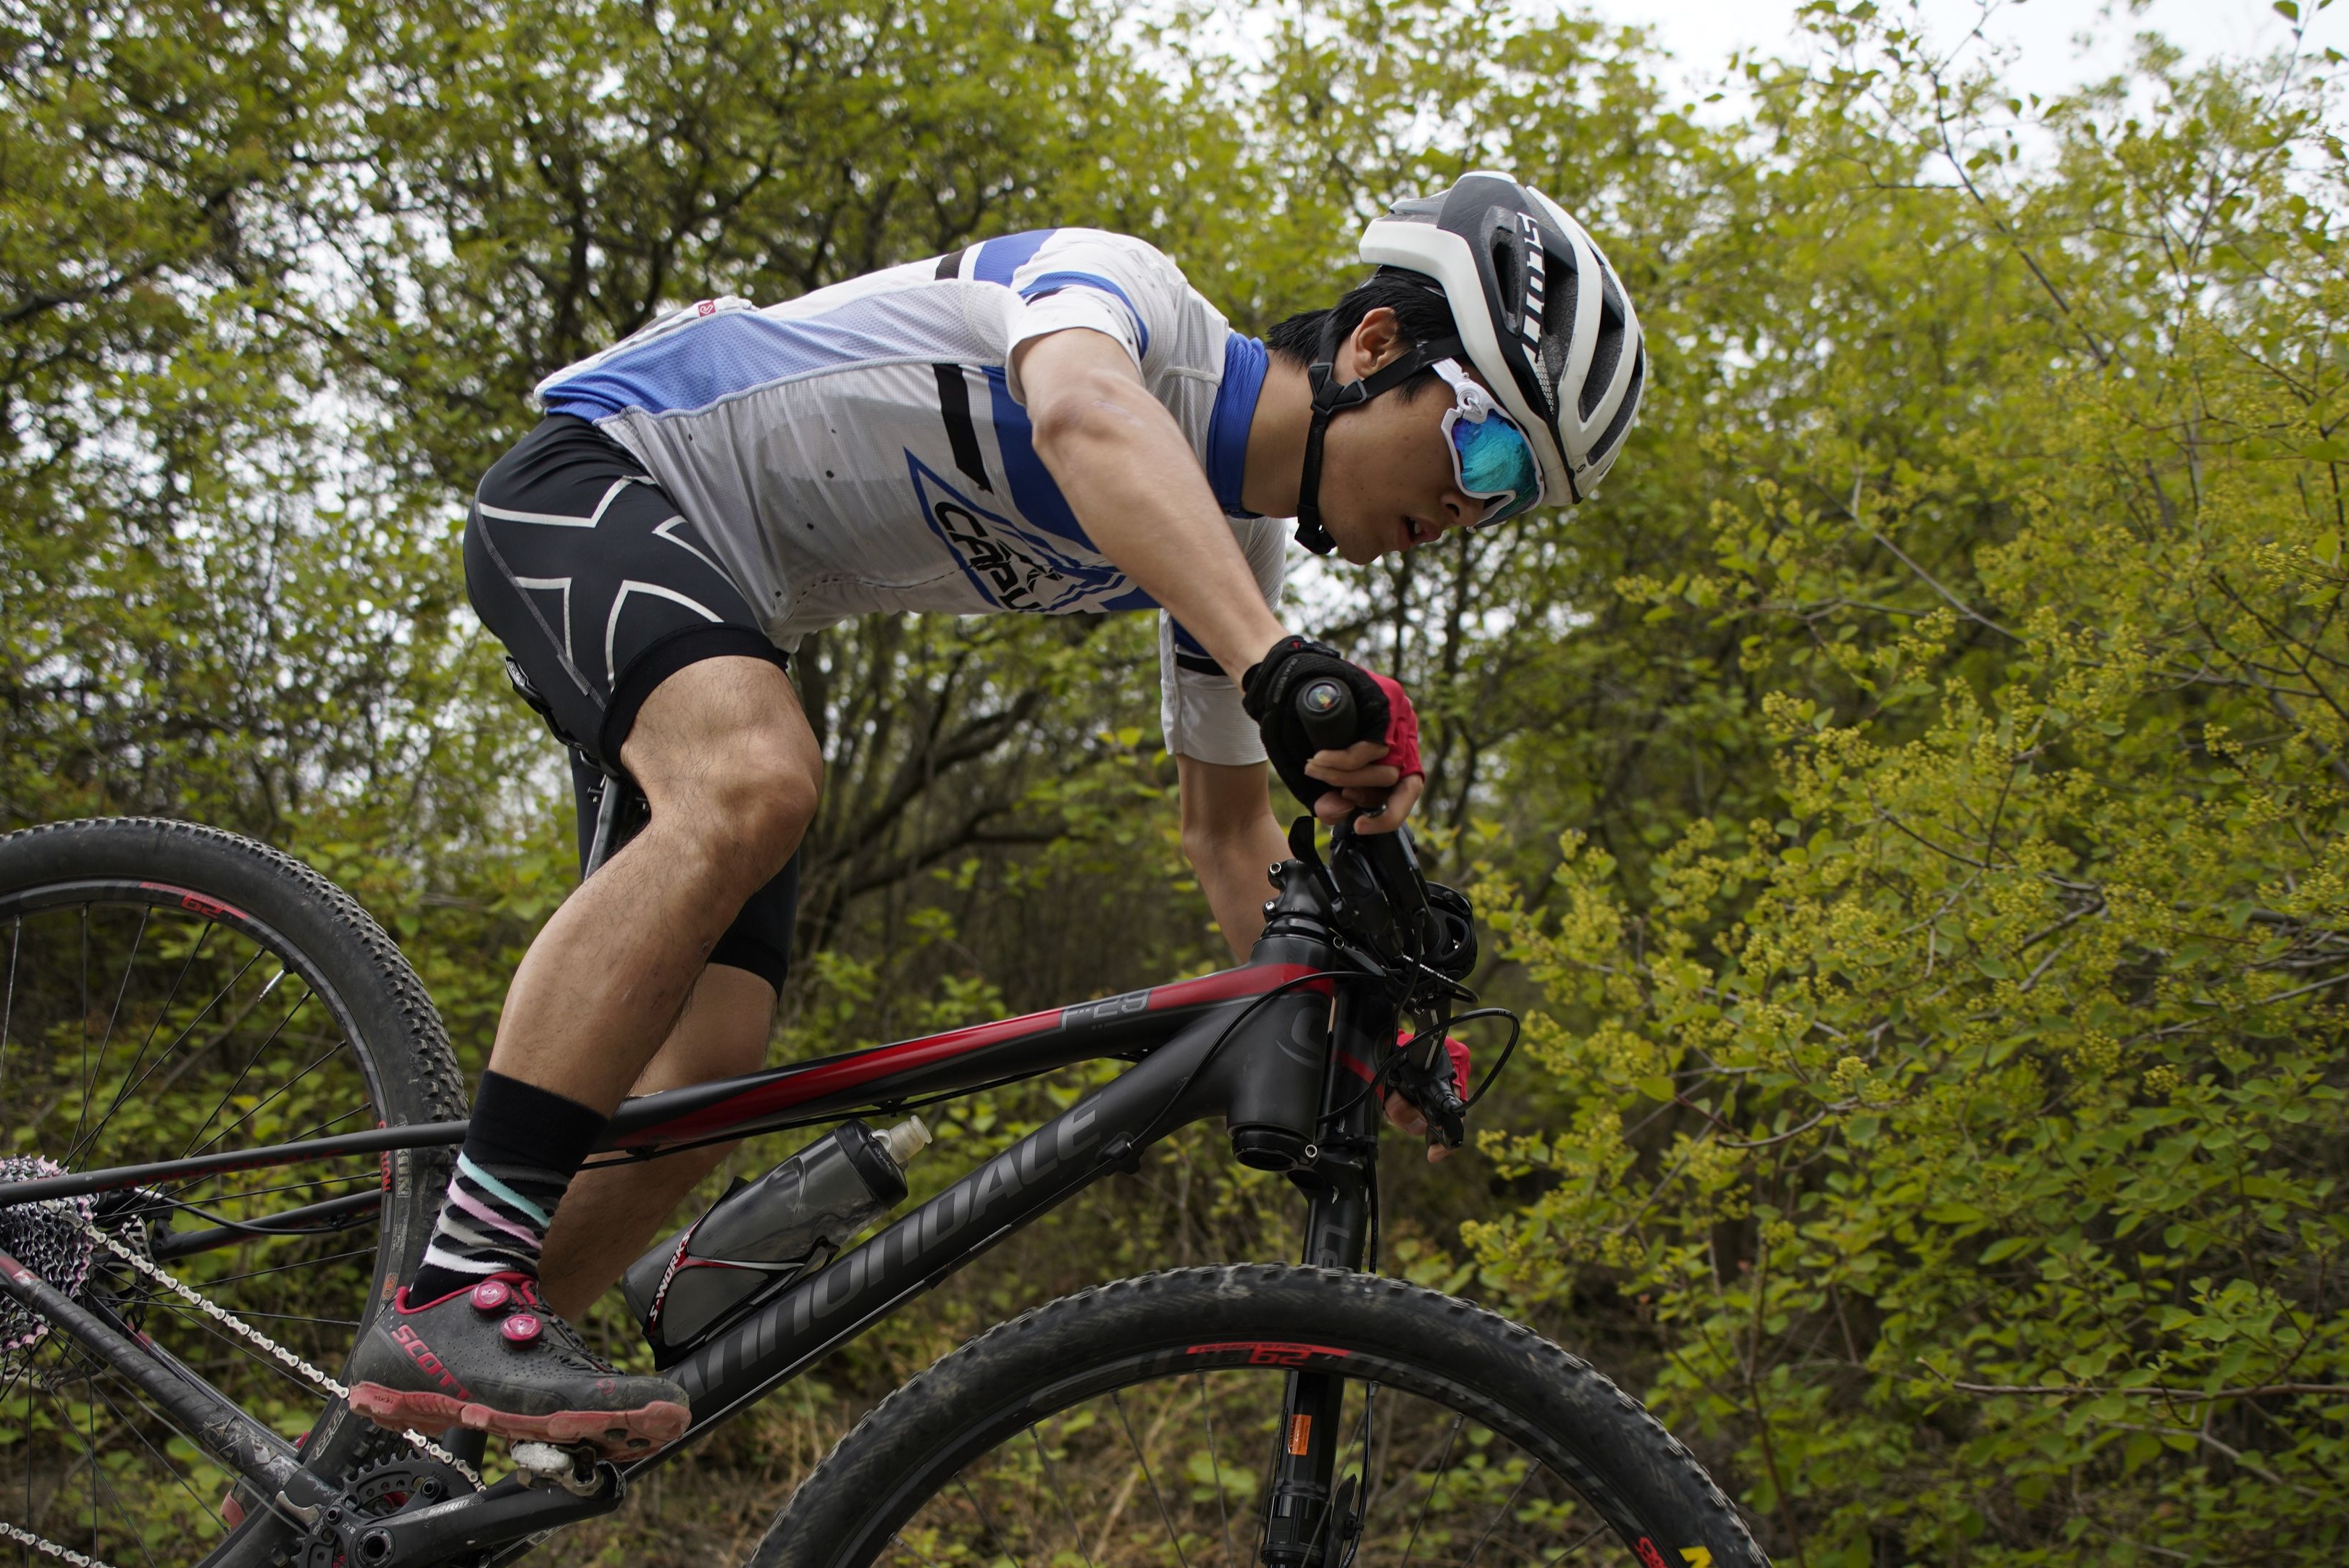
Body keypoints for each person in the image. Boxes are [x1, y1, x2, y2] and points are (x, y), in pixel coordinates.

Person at [343, 172, 1647, 1451]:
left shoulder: (1230, 549)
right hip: (600, 477)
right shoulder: (1135, 305)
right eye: (1485, 449)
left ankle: (384, 1468)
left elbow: (1225, 833)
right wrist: (1276, 665)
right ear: (1375, 345)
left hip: (730, 601)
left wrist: (1369, 1007)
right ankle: (457, 1286)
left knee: (707, 1072)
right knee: (753, 780)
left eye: (1513, 499)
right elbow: (1081, 413)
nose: (1472, 508)